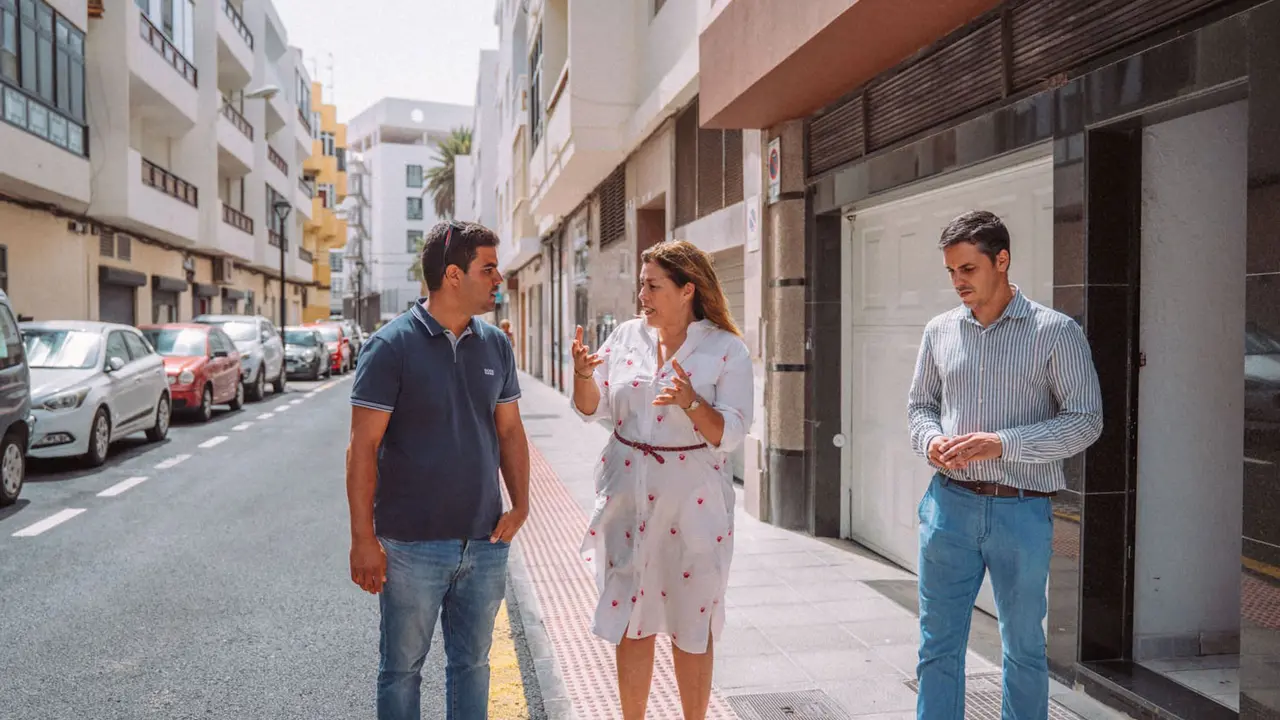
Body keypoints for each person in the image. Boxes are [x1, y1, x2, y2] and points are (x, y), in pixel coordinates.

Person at [907, 210, 1103, 720]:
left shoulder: (1055, 333)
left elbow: (1086, 422)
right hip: (948, 507)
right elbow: (919, 406)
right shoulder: (940, 331)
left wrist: (1003, 444)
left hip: (1021, 513)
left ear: (1002, 260)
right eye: (951, 272)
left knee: (1023, 648)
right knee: (937, 645)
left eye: (967, 269)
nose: (957, 283)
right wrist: (930, 441)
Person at [346, 220, 530, 720]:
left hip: (485, 541)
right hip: (411, 546)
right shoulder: (390, 347)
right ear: (453, 275)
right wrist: (364, 538)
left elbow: (510, 431)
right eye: (488, 268)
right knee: (402, 669)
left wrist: (522, 505)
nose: (499, 278)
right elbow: (363, 448)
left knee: (473, 665)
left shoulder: (495, 344)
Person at [570, 240, 753, 720]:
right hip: (627, 498)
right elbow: (594, 409)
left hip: (693, 505)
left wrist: (692, 402)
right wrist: (583, 376)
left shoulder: (726, 348)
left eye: (653, 286)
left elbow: (732, 433)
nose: (642, 295)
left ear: (687, 289)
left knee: (692, 622)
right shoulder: (628, 337)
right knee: (632, 619)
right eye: (641, 285)